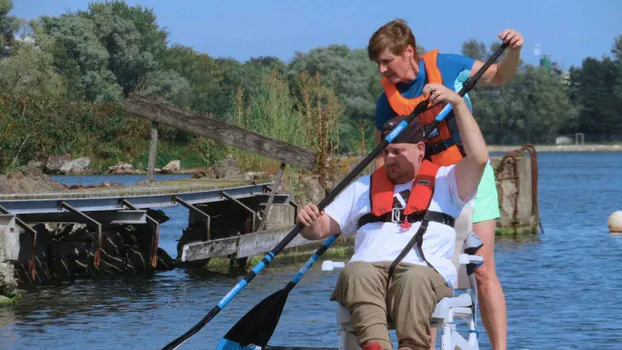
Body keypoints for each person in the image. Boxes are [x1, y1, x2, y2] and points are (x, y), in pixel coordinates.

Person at [367, 19, 524, 350]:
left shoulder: (447, 65)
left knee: (483, 270)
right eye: (378, 63)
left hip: (472, 176)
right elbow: (384, 160)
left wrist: (514, 51)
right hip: (430, 189)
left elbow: (501, 76)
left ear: (408, 51)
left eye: (386, 61)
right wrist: (382, 205)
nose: (382, 70)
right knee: (428, 272)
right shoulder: (387, 101)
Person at [296, 83, 489, 350]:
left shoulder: (448, 182)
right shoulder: (362, 187)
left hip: (424, 275)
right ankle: (377, 345)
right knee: (355, 271)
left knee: (413, 278)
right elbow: (318, 230)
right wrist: (306, 221)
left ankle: (412, 346)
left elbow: (478, 158)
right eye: (386, 152)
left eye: (399, 151)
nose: (390, 158)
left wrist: (457, 104)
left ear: (420, 149)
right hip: (369, 274)